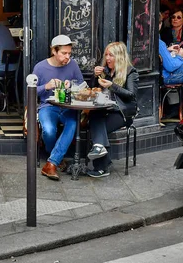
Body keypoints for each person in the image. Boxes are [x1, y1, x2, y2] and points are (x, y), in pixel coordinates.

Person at [33, 34, 84, 181]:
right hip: (48, 105)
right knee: (48, 130)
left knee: (73, 124)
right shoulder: (40, 67)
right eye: (64, 53)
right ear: (54, 51)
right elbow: (30, 91)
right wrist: (46, 86)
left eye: (69, 53)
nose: (67, 57)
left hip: (68, 106)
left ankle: (51, 163)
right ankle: (57, 156)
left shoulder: (72, 64)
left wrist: (72, 85)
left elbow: (81, 85)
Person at [87, 42, 138, 178]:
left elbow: (131, 95)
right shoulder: (105, 71)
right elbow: (92, 88)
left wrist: (112, 86)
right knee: (94, 116)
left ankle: (101, 166)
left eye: (111, 55)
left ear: (120, 57)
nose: (108, 58)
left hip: (122, 112)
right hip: (105, 109)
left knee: (97, 126)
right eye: (106, 55)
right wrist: (94, 76)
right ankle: (102, 159)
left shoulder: (130, 72)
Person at [159, 17, 183, 84]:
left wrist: (167, 50)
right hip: (166, 77)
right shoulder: (159, 41)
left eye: (178, 17)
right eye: (173, 17)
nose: (175, 19)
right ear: (160, 24)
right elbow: (171, 66)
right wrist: (180, 56)